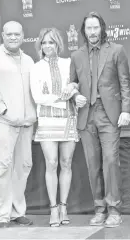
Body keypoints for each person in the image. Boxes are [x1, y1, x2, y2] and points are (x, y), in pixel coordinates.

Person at [69, 11, 130, 228]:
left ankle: (114, 209)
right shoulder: (76, 55)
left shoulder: (116, 50)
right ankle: (99, 209)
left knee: (110, 161)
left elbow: (125, 82)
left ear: (102, 29)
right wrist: (75, 95)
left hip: (109, 115)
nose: (93, 32)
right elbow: (72, 84)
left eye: (96, 28)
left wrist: (126, 109)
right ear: (84, 31)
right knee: (92, 164)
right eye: (89, 28)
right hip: (86, 116)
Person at [0, 21, 37, 229]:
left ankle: (16, 211)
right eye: (9, 34)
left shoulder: (29, 60)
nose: (13, 37)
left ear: (22, 36)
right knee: (2, 167)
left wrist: (33, 115)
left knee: (23, 166)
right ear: (2, 35)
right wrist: (3, 110)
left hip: (27, 125)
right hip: (3, 123)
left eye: (17, 34)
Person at [30, 28, 79, 227]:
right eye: (44, 43)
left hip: (68, 118)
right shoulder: (36, 67)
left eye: (51, 42)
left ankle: (64, 206)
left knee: (66, 162)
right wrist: (62, 97)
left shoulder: (68, 63)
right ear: (40, 45)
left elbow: (77, 84)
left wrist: (73, 87)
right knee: (51, 163)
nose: (47, 46)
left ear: (59, 44)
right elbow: (38, 97)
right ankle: (53, 209)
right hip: (47, 121)